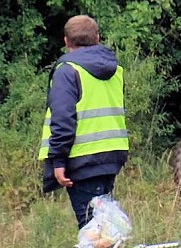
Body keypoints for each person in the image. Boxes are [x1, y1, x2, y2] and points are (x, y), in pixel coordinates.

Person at [38, 15, 129, 230]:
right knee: (103, 222)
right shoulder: (116, 70)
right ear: (97, 38)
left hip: (82, 159)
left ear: (66, 42)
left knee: (93, 230)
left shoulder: (67, 71)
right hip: (112, 154)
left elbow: (62, 120)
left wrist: (58, 161)